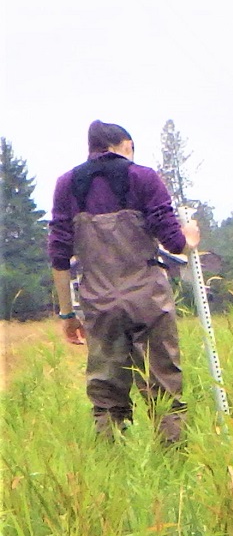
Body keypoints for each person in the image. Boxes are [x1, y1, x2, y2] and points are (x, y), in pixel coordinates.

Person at [48, 121, 199, 442]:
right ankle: (173, 459)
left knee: (105, 393)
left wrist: (67, 313)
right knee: (163, 387)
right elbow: (174, 242)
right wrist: (191, 238)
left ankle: (110, 460)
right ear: (126, 145)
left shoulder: (67, 185)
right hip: (149, 301)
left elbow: (59, 256)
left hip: (98, 304)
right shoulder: (143, 177)